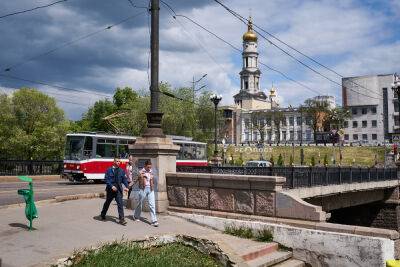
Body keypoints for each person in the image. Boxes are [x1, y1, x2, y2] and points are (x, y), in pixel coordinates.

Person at [100, 157, 129, 225]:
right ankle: (103, 214)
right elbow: (106, 179)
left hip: (118, 190)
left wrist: (127, 187)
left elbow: (124, 180)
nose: (118, 162)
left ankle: (121, 219)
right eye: (117, 161)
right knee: (107, 203)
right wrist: (111, 186)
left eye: (119, 161)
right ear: (114, 162)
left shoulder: (121, 171)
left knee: (120, 204)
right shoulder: (109, 170)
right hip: (110, 190)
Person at [133, 160, 158, 227]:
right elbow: (135, 180)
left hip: (151, 189)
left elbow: (155, 180)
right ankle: (136, 216)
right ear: (145, 166)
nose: (149, 168)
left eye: (150, 167)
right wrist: (128, 187)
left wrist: (153, 178)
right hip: (143, 189)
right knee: (139, 203)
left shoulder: (152, 171)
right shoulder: (141, 172)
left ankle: (154, 220)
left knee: (152, 205)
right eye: (148, 167)